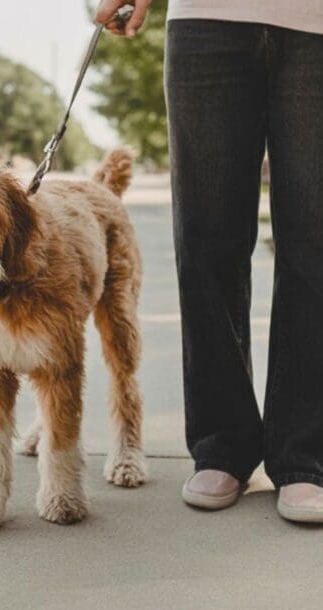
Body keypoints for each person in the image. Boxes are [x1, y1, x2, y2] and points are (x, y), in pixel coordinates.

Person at [95, 0, 323, 523]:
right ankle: (222, 444)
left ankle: (306, 455)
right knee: (206, 242)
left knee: (315, 243)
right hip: (209, 19)